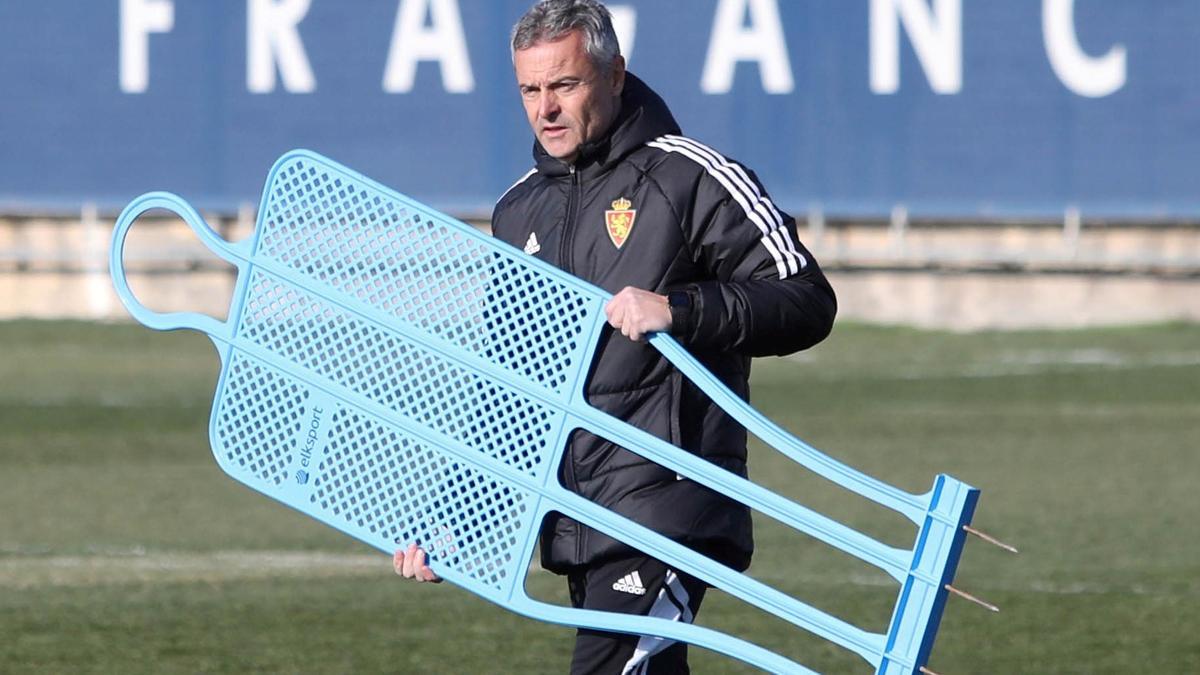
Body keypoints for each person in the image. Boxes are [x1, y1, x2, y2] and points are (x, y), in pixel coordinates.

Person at [396, 0, 837, 672]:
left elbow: (807, 300)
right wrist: (455, 517)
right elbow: (511, 385)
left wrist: (679, 308)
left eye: (565, 85)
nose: (546, 108)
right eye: (530, 89)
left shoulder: (691, 176)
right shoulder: (517, 211)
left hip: (670, 509)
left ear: (615, 75)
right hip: (578, 519)